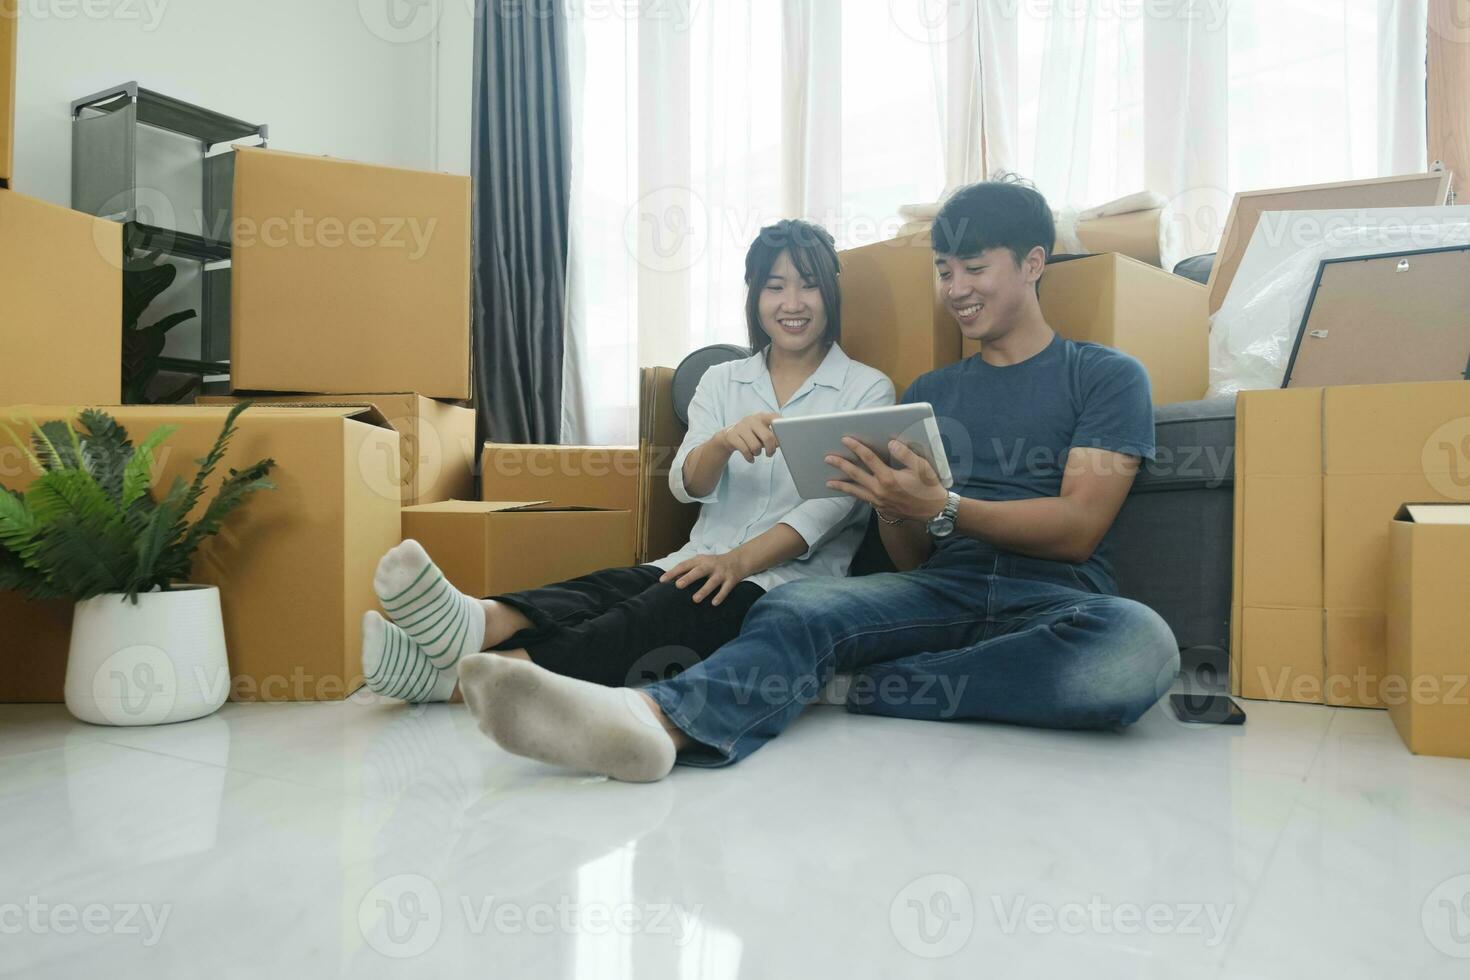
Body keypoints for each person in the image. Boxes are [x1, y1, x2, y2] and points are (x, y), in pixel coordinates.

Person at [454, 177, 1183, 782]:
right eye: (944, 270)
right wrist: (899, 508)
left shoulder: (1105, 376)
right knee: (793, 610)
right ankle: (656, 721)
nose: (955, 289)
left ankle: (887, 684)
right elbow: (913, 560)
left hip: (1055, 602)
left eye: (974, 267)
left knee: (1137, 649)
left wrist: (945, 504)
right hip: (936, 592)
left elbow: (1079, 527)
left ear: (1032, 262)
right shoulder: (931, 388)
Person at [360, 219, 895, 704]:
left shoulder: (866, 390)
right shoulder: (722, 381)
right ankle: (479, 619)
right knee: (609, 588)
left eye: (808, 285)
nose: (792, 302)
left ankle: (460, 679)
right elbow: (688, 483)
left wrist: (736, 563)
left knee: (647, 617)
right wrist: (725, 441)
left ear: (831, 294)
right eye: (775, 287)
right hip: (698, 555)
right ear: (755, 297)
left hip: (786, 583)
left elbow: (829, 512)